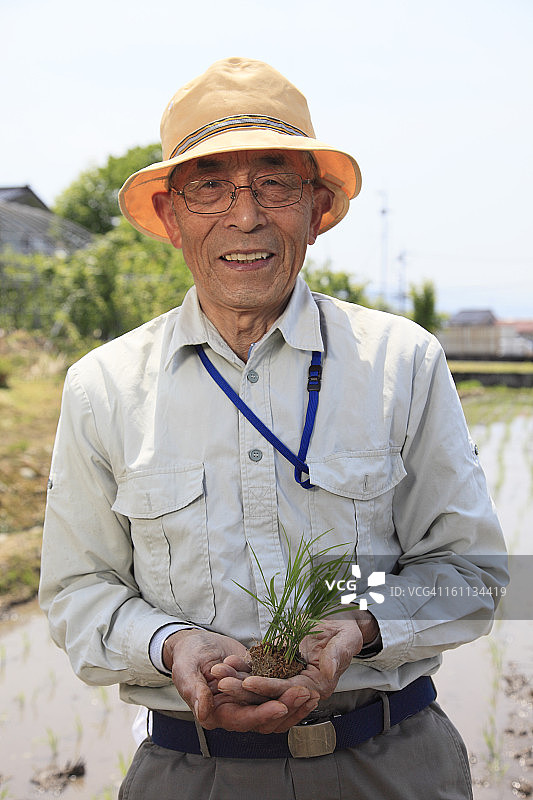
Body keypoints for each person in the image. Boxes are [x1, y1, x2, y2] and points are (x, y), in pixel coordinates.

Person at [39, 57, 507, 800]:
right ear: (170, 217)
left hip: (387, 764)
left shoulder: (401, 362)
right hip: (189, 772)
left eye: (274, 184)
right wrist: (171, 644)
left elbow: (471, 572)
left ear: (316, 209)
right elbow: (78, 590)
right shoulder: (103, 387)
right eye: (209, 187)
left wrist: (359, 623)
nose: (245, 216)